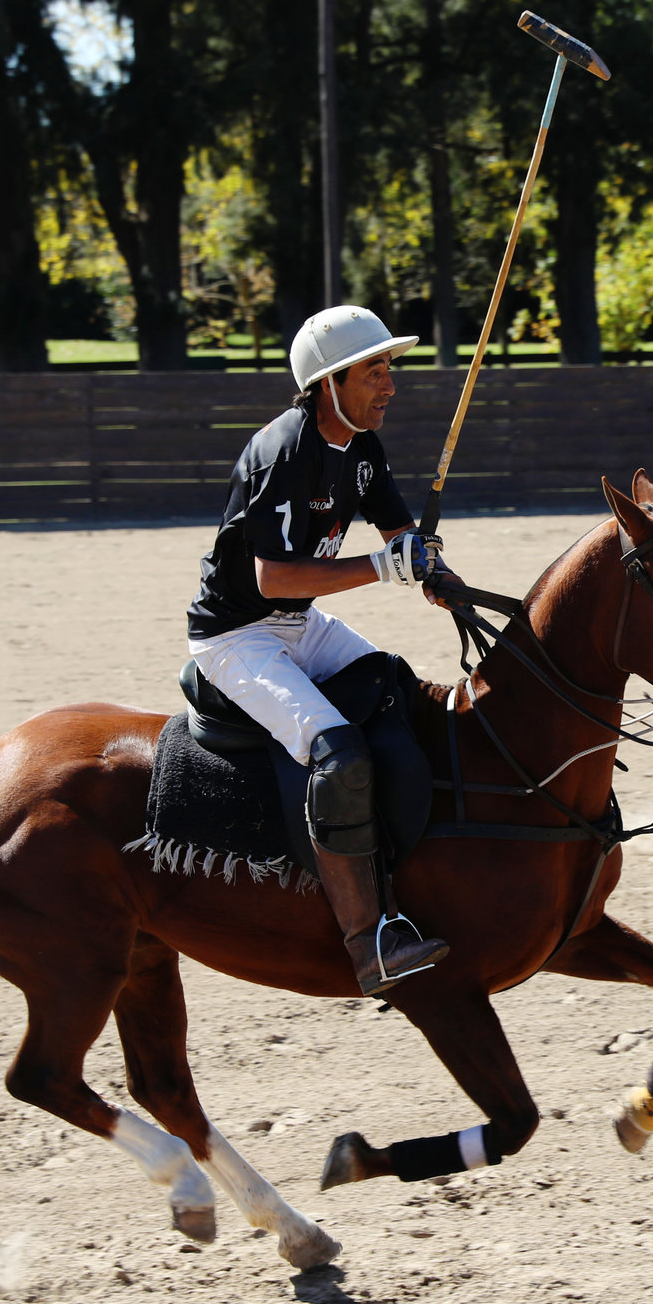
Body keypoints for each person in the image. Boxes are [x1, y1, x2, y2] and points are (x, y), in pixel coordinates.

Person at [186, 305, 460, 994]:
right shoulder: (283, 451)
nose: (390, 384)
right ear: (330, 381)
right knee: (337, 751)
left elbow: (399, 530)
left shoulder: (363, 448)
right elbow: (272, 578)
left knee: (399, 692)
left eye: (390, 368)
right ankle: (368, 940)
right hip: (237, 637)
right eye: (376, 370)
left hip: (300, 625)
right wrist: (380, 567)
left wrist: (434, 573)